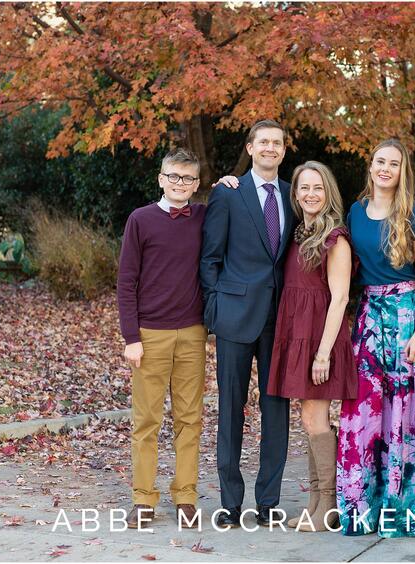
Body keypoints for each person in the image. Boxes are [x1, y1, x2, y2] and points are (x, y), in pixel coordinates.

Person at [336, 138, 415, 537]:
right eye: (380, 161)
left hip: (404, 317)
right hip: (368, 318)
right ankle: (361, 505)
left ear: (403, 171)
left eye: (393, 164)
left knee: (406, 411)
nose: (385, 168)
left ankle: (405, 506)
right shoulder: (353, 212)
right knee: (365, 408)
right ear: (370, 166)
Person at [200, 119, 295, 528]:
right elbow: (210, 256)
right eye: (264, 142)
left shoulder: (295, 195)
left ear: (284, 150)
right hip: (235, 317)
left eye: (277, 143)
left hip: (280, 320)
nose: (271, 148)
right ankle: (231, 502)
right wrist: (214, 309)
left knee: (276, 411)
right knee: (230, 408)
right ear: (251, 148)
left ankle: (269, 501)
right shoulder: (228, 193)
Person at [117, 148, 208, 530]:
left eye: (187, 179)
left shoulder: (203, 216)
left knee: (190, 419)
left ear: (197, 184)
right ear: (160, 178)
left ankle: (185, 497)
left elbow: (230, 200)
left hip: (192, 333)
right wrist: (131, 336)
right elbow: (126, 282)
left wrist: (229, 184)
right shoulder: (140, 220)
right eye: (173, 176)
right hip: (150, 335)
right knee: (147, 419)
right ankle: (143, 499)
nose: (179, 184)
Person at [263, 161, 357, 532]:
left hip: (320, 339)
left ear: (328, 192)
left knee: (316, 419)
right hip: (297, 333)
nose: (310, 194)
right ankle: (316, 501)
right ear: (295, 193)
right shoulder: (301, 232)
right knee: (308, 419)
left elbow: (340, 298)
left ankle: (329, 504)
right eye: (304, 188)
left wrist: (322, 354)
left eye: (318, 187)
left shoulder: (335, 236)